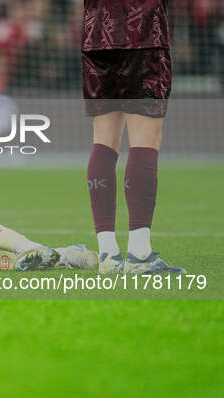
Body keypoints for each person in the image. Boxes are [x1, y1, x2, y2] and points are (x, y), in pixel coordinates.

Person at [82, 0, 185, 274]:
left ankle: (107, 253)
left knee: (103, 139)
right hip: (142, 31)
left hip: (97, 35)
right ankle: (139, 254)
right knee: (145, 138)